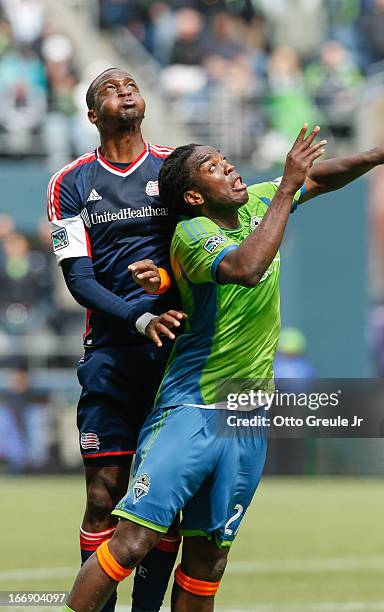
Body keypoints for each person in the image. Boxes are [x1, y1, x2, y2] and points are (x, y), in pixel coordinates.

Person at [63, 116, 384, 612]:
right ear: (195, 196)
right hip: (192, 409)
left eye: (226, 160)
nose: (232, 169)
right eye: (215, 168)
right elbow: (246, 267)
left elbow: (318, 177)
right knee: (132, 542)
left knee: (207, 563)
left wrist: (380, 154)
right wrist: (286, 185)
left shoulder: (259, 201)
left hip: (246, 418)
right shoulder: (191, 235)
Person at [47, 68, 187, 612]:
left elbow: (200, 248)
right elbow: (78, 280)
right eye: (110, 87)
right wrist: (137, 317)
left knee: (164, 503)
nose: (125, 90)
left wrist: (168, 286)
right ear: (92, 115)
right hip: (110, 355)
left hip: (175, 357)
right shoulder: (71, 183)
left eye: (130, 83)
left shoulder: (176, 169)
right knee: (103, 496)